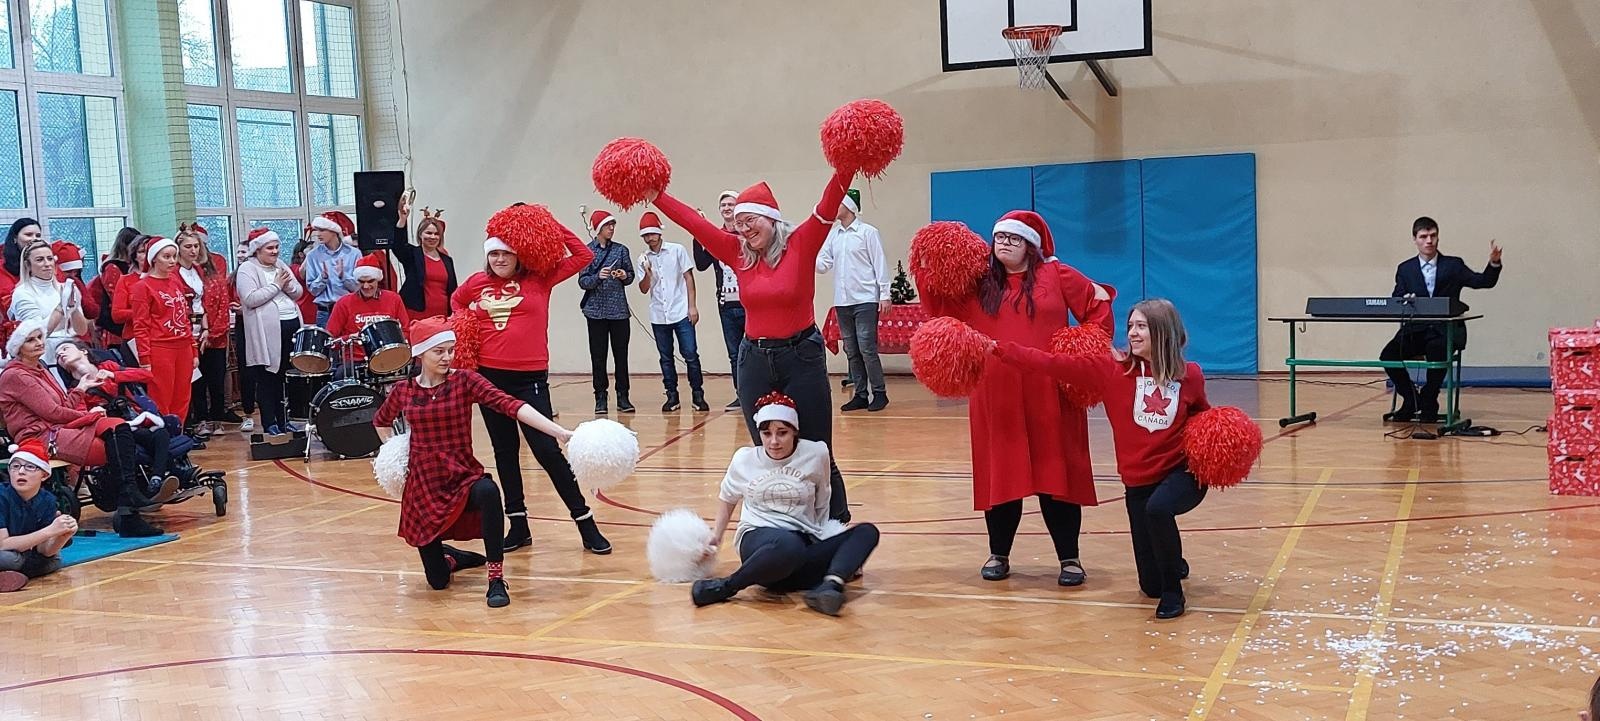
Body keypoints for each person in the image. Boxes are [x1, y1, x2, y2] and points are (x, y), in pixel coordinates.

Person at [647, 166, 856, 521]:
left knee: (819, 450)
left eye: (750, 220)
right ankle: (782, 524)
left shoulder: (803, 243)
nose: (743, 229)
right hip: (754, 360)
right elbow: (695, 226)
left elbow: (829, 201)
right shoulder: (738, 252)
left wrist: (849, 162)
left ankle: (835, 529)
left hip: (801, 356)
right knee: (767, 450)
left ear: (771, 219)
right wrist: (656, 196)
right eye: (738, 223)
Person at [919, 210, 1114, 586]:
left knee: (1058, 474)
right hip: (996, 393)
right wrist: (929, 267)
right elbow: (939, 311)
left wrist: (1084, 346)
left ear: (1031, 245)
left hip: (1051, 390)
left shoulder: (1058, 275)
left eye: (1014, 238)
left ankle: (1070, 558)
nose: (1004, 243)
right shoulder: (978, 282)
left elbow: (1099, 305)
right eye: (1000, 237)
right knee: (1001, 475)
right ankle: (999, 553)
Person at [991, 299, 1209, 618]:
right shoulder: (1111, 370)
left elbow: (1204, 416)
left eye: (1141, 327)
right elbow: (1049, 363)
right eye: (1130, 326)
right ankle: (1171, 563)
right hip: (1138, 482)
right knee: (1150, 584)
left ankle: (1174, 594)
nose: (1132, 333)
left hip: (1181, 473)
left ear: (1163, 332)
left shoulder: (1190, 375)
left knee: (1159, 509)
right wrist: (998, 348)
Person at [373, 316, 575, 608]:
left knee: (489, 492)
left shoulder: (464, 381)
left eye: (450, 350)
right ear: (419, 353)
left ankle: (495, 578)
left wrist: (560, 433)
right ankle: (454, 558)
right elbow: (381, 422)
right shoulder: (404, 391)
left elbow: (511, 405)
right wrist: (395, 454)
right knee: (438, 582)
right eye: (438, 351)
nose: (447, 357)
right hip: (424, 484)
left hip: (462, 476)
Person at [451, 206, 609, 554]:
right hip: (488, 379)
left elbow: (582, 254)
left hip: (529, 379)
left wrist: (548, 223)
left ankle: (585, 522)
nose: (499, 258)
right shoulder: (476, 283)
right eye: (493, 253)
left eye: (506, 252)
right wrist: (465, 339)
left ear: (518, 253)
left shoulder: (539, 278)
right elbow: (457, 303)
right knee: (504, 453)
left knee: (546, 451)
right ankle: (518, 526)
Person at [691, 392, 879, 616]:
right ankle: (727, 586)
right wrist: (717, 536)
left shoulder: (816, 453)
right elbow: (728, 496)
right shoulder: (744, 458)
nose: (773, 441)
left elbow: (822, 501)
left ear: (795, 432)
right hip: (759, 543)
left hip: (798, 553)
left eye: (782, 433)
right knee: (788, 545)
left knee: (866, 532)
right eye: (766, 433)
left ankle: (829, 587)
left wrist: (836, 550)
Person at [0, 320, 168, 537]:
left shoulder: (41, 369)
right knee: (111, 445)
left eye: (40, 337)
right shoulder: (17, 375)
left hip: (59, 426)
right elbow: (53, 413)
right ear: (18, 347)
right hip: (40, 435)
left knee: (118, 426)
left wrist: (80, 389)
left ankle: (128, 503)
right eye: (30, 340)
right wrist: (87, 414)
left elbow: (62, 406)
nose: (39, 343)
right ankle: (127, 508)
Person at [1379, 217, 1504, 423]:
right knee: (1388, 355)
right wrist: (1404, 300)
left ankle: (1429, 399)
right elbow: (1396, 298)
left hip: (1444, 331)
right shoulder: (1405, 269)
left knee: (1436, 350)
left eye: (1433, 236)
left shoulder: (1453, 265)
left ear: (1438, 237)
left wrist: (1494, 263)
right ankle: (1411, 400)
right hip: (1415, 330)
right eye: (1423, 237)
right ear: (1415, 240)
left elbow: (1483, 281)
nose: (1429, 241)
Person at [816, 188, 890, 412]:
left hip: (866, 299)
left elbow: (880, 263)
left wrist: (884, 294)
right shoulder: (834, 235)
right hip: (843, 301)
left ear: (849, 206)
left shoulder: (868, 232)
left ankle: (879, 392)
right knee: (852, 348)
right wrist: (807, 257)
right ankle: (860, 393)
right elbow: (823, 263)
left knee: (867, 347)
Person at [234, 228, 305, 437]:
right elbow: (250, 299)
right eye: (270, 248)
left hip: (289, 324)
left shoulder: (280, 265)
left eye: (276, 247)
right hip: (266, 333)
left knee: (284, 377)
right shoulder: (248, 269)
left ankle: (285, 420)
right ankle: (270, 422)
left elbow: (298, 292)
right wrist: (277, 285)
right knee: (268, 378)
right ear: (258, 250)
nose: (274, 252)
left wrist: (288, 285)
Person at [637, 211, 707, 412]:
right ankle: (671, 396)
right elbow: (643, 288)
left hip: (680, 311)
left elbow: (688, 278)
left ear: (659, 232)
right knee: (665, 357)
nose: (650, 238)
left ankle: (698, 394)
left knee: (690, 354)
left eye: (652, 233)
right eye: (646, 235)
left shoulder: (677, 250)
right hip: (658, 314)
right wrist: (648, 274)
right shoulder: (643, 258)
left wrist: (692, 306)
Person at [128, 237, 198, 420]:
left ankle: (177, 438)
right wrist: (145, 359)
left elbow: (184, 317)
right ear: (153, 259)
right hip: (160, 349)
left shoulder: (175, 281)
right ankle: (164, 440)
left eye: (174, 256)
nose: (172, 261)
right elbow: (140, 326)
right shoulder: (142, 287)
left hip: (183, 347)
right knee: (161, 398)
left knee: (183, 398)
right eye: (166, 256)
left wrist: (194, 349)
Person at [178, 225, 234, 438]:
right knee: (196, 381)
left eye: (196, 246)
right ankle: (199, 420)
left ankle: (217, 418)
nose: (193, 250)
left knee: (216, 379)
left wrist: (209, 331)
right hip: (188, 336)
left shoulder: (203, 272)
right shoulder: (176, 275)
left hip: (210, 334)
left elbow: (214, 306)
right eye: (188, 246)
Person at [577, 209, 634, 415]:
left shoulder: (621, 250)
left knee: (621, 355)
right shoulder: (587, 252)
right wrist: (598, 277)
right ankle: (600, 396)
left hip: (619, 311)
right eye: (608, 225)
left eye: (613, 225)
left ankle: (623, 396)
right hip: (595, 312)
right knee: (598, 356)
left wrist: (622, 275)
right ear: (598, 228)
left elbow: (630, 276)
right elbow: (583, 281)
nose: (612, 229)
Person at [0, 439, 75, 593]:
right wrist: (49, 531)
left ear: (44, 475)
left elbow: (44, 551)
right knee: (8, 559)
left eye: (29, 467)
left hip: (20, 553)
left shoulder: (47, 500)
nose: (21, 472)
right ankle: (16, 573)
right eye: (15, 466)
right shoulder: (2, 496)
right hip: (7, 550)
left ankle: (12, 575)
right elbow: (2, 544)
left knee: (54, 560)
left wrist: (62, 535)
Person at [692, 191, 744, 409]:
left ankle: (760, 393)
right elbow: (702, 264)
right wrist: (698, 233)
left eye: (731, 204)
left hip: (749, 303)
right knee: (734, 354)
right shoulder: (716, 236)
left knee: (754, 351)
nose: (726, 208)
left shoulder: (746, 234)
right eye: (723, 204)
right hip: (726, 304)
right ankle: (741, 394)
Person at [7, 241, 89, 366]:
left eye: (50, 258)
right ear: (27, 265)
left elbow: (82, 330)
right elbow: (35, 334)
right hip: (42, 356)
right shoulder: (22, 293)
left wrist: (74, 309)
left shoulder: (66, 288)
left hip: (71, 352)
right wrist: (61, 308)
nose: (47, 264)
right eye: (40, 260)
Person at [327, 254, 411, 362]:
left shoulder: (394, 299)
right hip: (356, 361)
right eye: (362, 282)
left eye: (370, 281)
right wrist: (349, 338)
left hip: (388, 359)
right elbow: (330, 340)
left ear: (378, 279)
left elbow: (406, 330)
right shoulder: (344, 303)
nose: (366, 286)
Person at [392, 198, 458, 320]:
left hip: (442, 316)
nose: (432, 237)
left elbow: (453, 289)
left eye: (436, 234)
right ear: (420, 234)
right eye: (428, 233)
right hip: (416, 315)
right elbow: (398, 245)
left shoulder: (447, 260)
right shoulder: (413, 254)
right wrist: (402, 219)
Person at [89, 227, 142, 365]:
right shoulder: (112, 267)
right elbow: (117, 300)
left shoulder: (134, 267)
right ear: (126, 245)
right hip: (117, 330)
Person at [302, 211, 362, 327]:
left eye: (322, 230)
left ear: (334, 231)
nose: (318, 234)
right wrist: (322, 278)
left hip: (349, 309)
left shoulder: (354, 254)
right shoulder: (313, 256)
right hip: (325, 312)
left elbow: (358, 288)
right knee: (326, 344)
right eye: (317, 230)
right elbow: (313, 290)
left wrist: (343, 276)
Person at [51, 241, 99, 329]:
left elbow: (91, 311)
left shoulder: (75, 282)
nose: (73, 275)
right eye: (68, 271)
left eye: (76, 271)